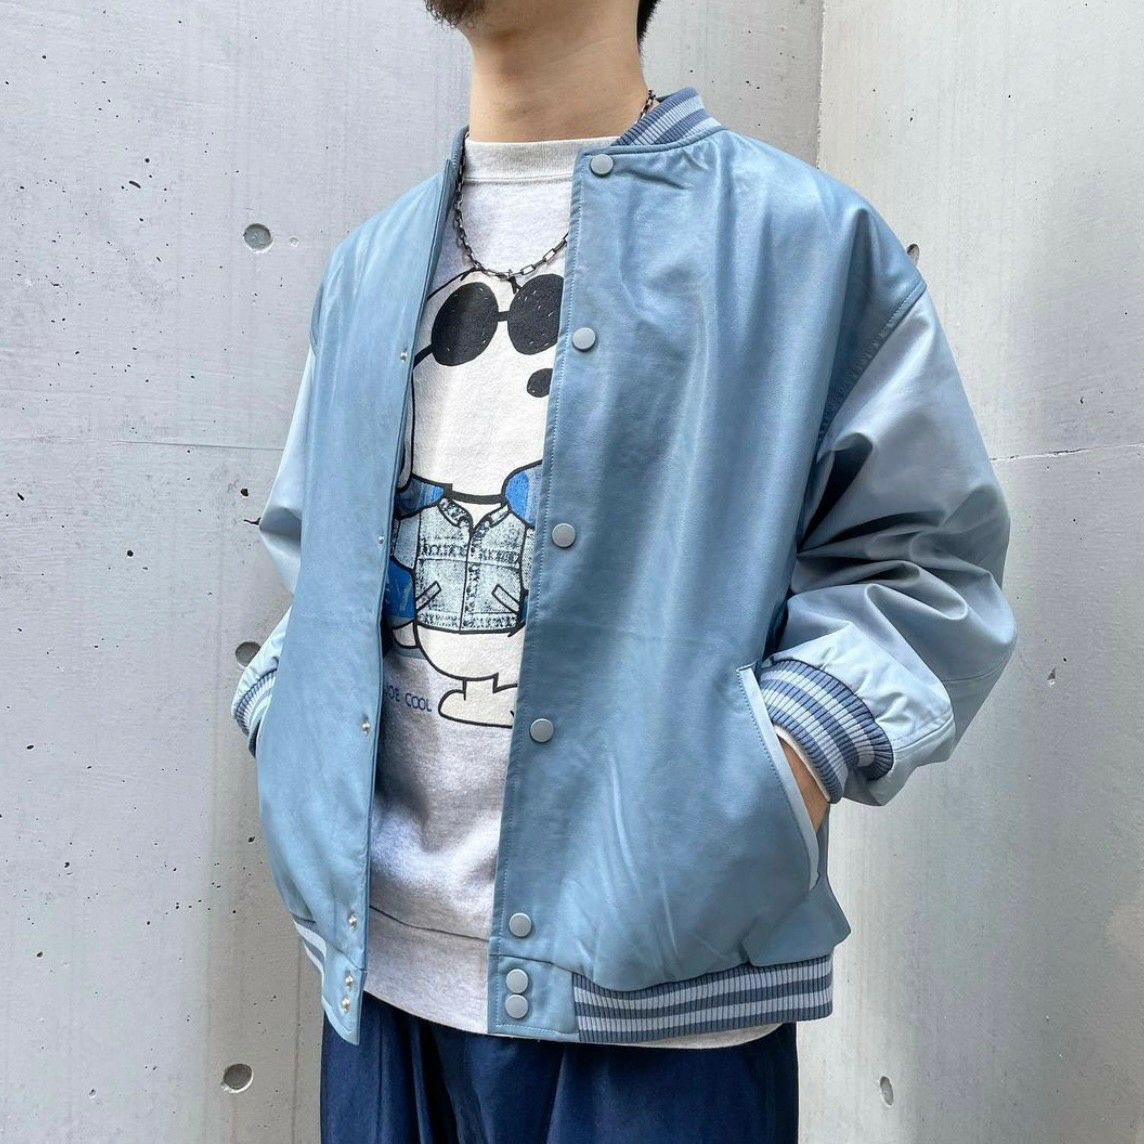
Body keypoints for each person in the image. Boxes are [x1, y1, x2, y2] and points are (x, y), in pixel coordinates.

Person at [230, 0, 1018, 1139]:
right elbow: (320, 553)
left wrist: (776, 765)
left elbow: (924, 561)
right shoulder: (370, 264)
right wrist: (282, 708)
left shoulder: (800, 241)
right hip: (377, 980)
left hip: (661, 1000)